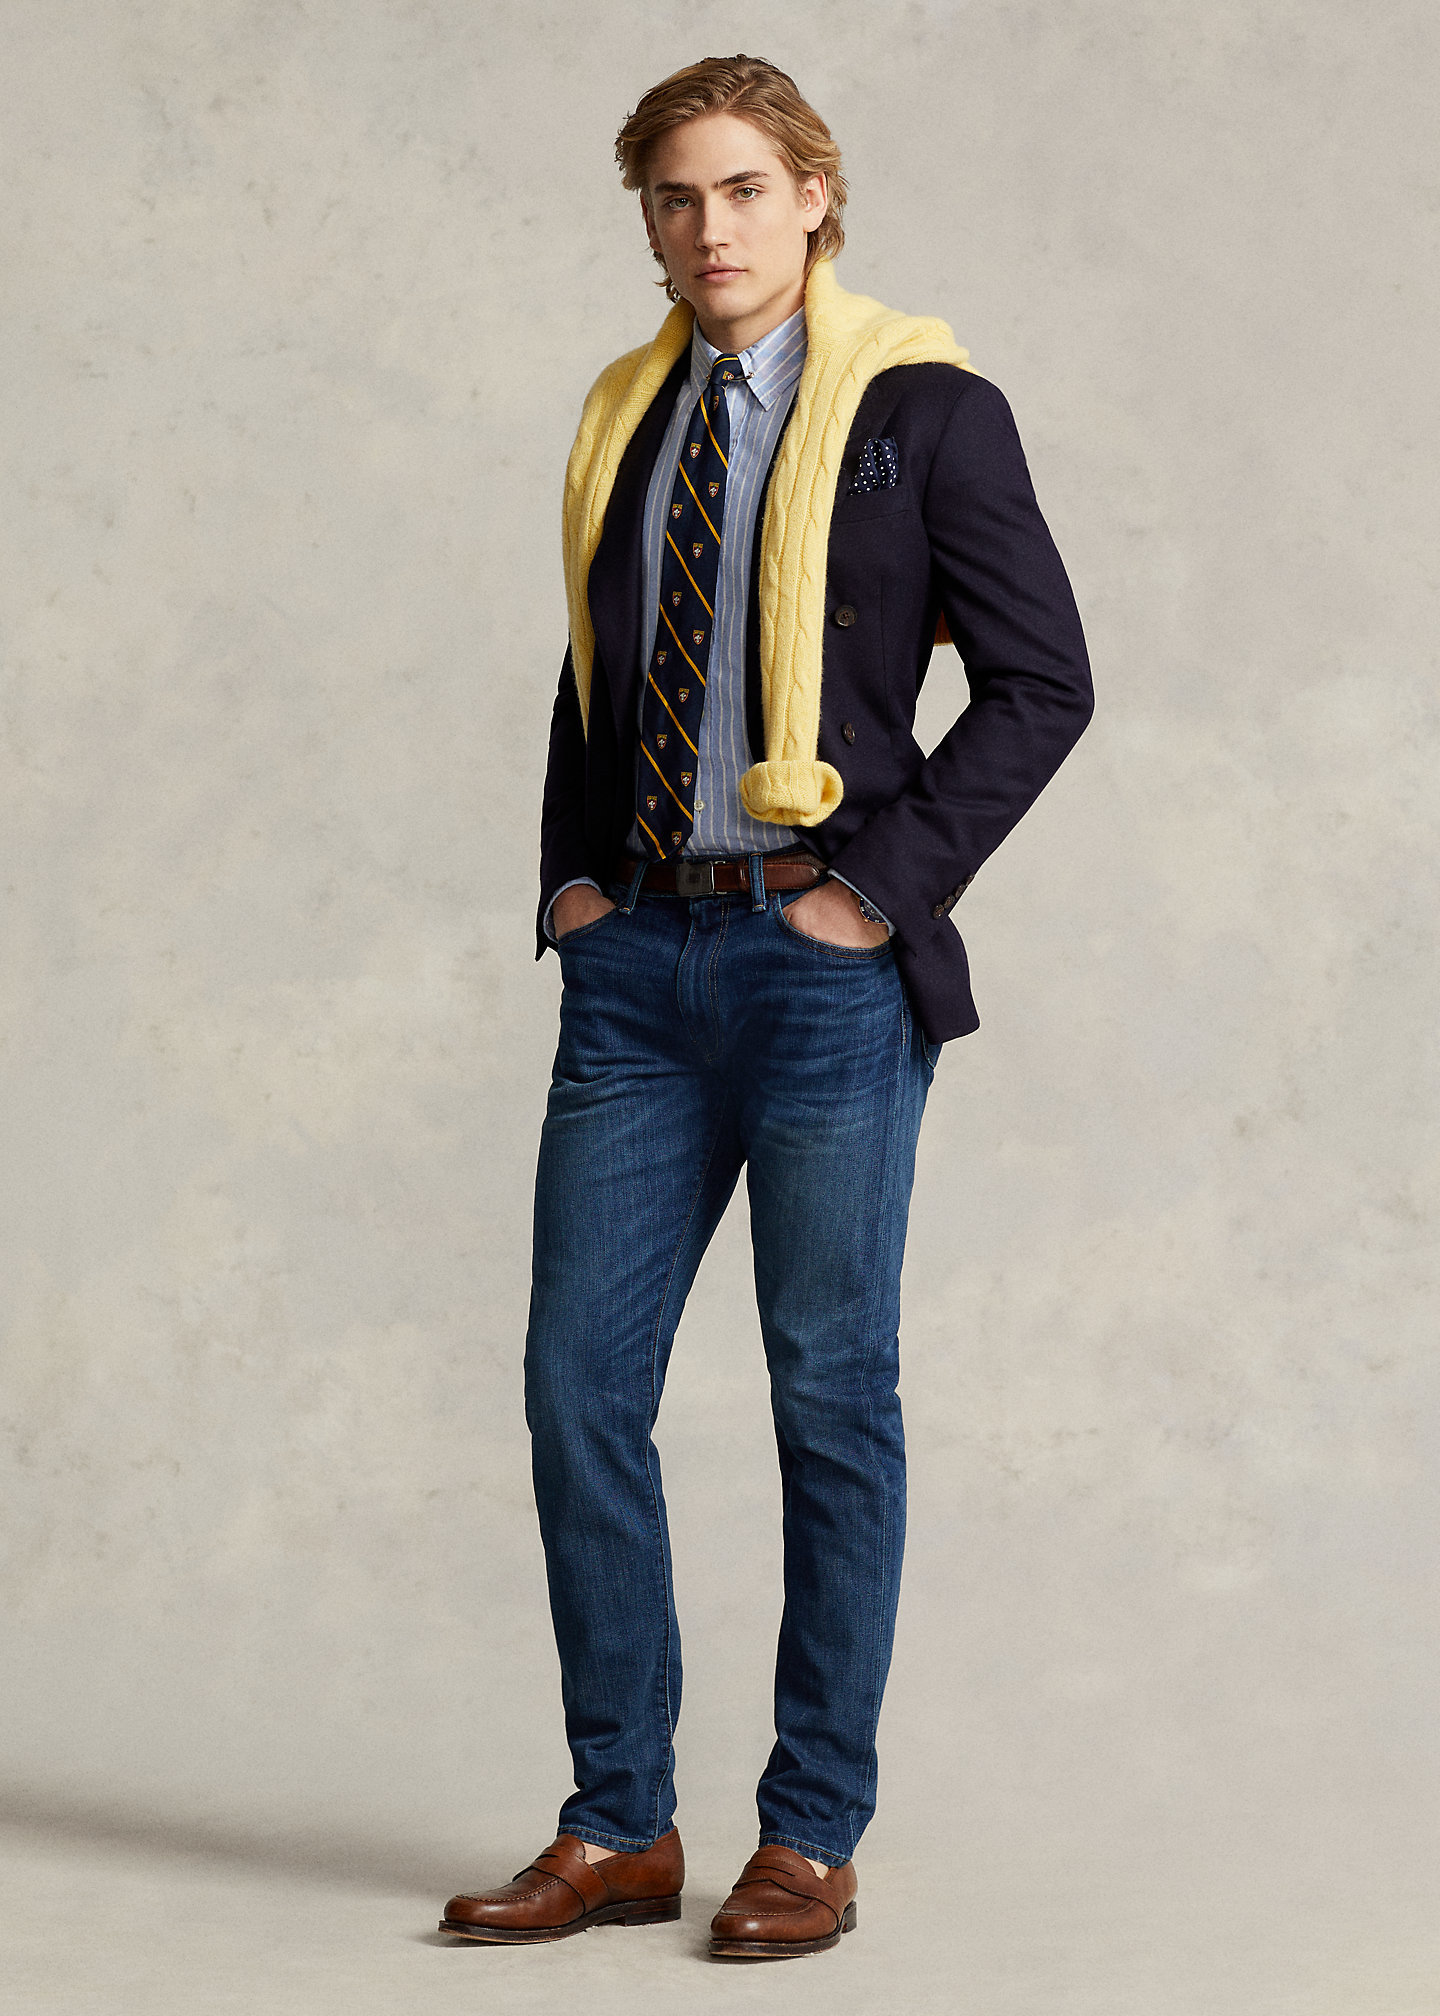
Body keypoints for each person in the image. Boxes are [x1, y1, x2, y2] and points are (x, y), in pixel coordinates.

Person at [440, 52, 1092, 1959]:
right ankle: (619, 1826)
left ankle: (809, 1834)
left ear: (814, 194)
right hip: (637, 966)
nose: (707, 227)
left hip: (822, 973)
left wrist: (871, 894)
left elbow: (1045, 683)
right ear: (645, 218)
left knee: (828, 1391)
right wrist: (571, 882)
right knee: (577, 1388)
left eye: (742, 189)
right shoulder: (626, 416)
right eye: (674, 195)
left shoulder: (925, 411)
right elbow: (600, 670)